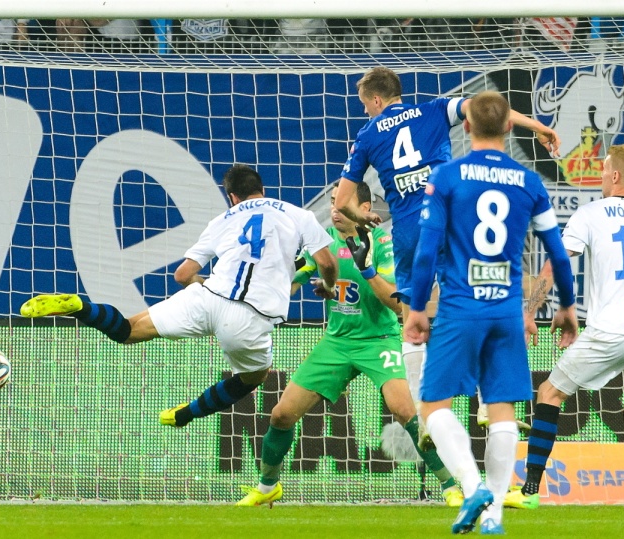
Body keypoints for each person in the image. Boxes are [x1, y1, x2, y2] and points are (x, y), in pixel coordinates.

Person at [20, 164, 337, 428]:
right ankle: (186, 414)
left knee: (129, 330)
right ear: (262, 190)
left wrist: (203, 290)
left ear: (232, 197)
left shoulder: (222, 220)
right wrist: (328, 286)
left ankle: (79, 307)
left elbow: (182, 275)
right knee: (254, 376)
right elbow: (325, 262)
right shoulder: (299, 216)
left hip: (209, 296)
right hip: (251, 318)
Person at [335, 66, 562, 428]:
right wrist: (539, 127)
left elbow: (343, 202)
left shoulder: (365, 135)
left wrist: (361, 220)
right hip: (452, 217)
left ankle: (425, 416)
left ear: (377, 100)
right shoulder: (436, 109)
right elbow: (491, 109)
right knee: (479, 303)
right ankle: (490, 404)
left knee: (411, 319)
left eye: (365, 104)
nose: (365, 111)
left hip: (410, 229)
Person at [402, 91, 578, 534]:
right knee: (501, 410)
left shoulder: (446, 177)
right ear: (509, 128)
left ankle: (472, 484)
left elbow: (426, 253)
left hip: (460, 309)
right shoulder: (530, 183)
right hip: (506, 312)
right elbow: (557, 253)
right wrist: (568, 307)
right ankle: (494, 516)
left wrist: (418, 308)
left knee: (433, 404)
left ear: (465, 127)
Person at [235, 180, 463, 508]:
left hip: (378, 340)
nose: (334, 210)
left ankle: (450, 486)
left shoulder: (386, 243)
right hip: (337, 342)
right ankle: (268, 484)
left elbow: (396, 305)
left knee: (403, 410)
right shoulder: (323, 243)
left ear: (366, 210)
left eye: (342, 203)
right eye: (331, 202)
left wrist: (365, 267)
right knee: (281, 415)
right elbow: (289, 284)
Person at [506, 144, 624, 510]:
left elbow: (556, 263)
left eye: (603, 171)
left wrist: (530, 310)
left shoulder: (590, 213)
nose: (601, 176)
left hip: (610, 330)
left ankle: (529, 492)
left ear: (615, 176)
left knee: (550, 393)